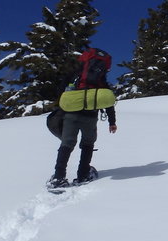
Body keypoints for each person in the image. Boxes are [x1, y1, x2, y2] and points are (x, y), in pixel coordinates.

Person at [47, 48, 118, 189]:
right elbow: (107, 101)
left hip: (71, 114)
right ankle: (83, 175)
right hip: (90, 117)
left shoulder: (75, 74)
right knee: (87, 144)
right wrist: (112, 121)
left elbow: (61, 91)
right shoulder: (100, 80)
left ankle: (58, 178)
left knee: (67, 144)